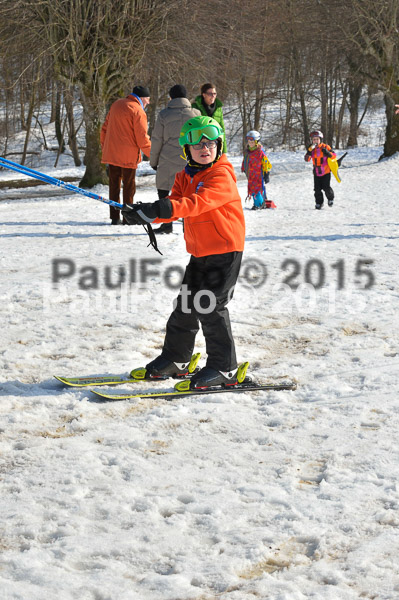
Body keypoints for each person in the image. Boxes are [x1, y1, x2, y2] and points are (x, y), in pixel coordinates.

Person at [122, 116, 245, 389]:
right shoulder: (184, 176)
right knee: (186, 306)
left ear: (219, 145)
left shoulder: (220, 175)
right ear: (186, 150)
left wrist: (161, 210)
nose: (205, 148)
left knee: (211, 306)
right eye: (198, 144)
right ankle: (176, 359)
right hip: (200, 252)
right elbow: (173, 205)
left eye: (211, 143)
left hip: (225, 251)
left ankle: (225, 368)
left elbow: (197, 203)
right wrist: (145, 213)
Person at [149, 84, 200, 235]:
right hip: (189, 160)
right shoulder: (196, 114)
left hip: (167, 159)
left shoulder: (164, 115)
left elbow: (157, 139)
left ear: (171, 97)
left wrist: (153, 162)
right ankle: (188, 224)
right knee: (188, 193)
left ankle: (166, 224)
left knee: (164, 192)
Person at [101, 85, 151, 225]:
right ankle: (128, 218)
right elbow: (142, 139)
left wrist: (105, 146)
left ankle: (114, 217)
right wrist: (154, 155)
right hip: (128, 156)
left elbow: (104, 128)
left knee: (114, 186)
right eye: (147, 99)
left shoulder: (116, 104)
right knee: (129, 187)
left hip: (112, 153)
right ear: (142, 98)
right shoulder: (138, 111)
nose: (148, 102)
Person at [241, 130, 273, 210]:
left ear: (256, 142)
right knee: (252, 190)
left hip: (258, 174)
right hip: (251, 174)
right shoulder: (247, 152)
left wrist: (266, 174)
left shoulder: (260, 152)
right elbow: (245, 160)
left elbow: (266, 163)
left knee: (258, 190)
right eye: (249, 142)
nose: (250, 143)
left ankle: (260, 204)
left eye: (252, 142)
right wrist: (244, 168)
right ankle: (257, 203)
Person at [304, 130, 336, 209]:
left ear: (320, 140)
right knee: (317, 190)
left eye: (317, 139)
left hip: (326, 171)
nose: (315, 141)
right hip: (316, 172)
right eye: (314, 139)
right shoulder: (311, 149)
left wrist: (328, 153)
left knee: (326, 187)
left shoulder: (325, 147)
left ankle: (330, 199)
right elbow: (307, 159)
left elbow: (334, 156)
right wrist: (309, 152)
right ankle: (319, 203)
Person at [192, 83, 227, 153]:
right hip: (201, 146)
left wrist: (224, 151)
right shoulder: (195, 107)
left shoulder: (218, 108)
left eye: (215, 93)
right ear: (204, 95)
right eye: (210, 94)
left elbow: (222, 130)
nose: (213, 96)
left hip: (215, 145)